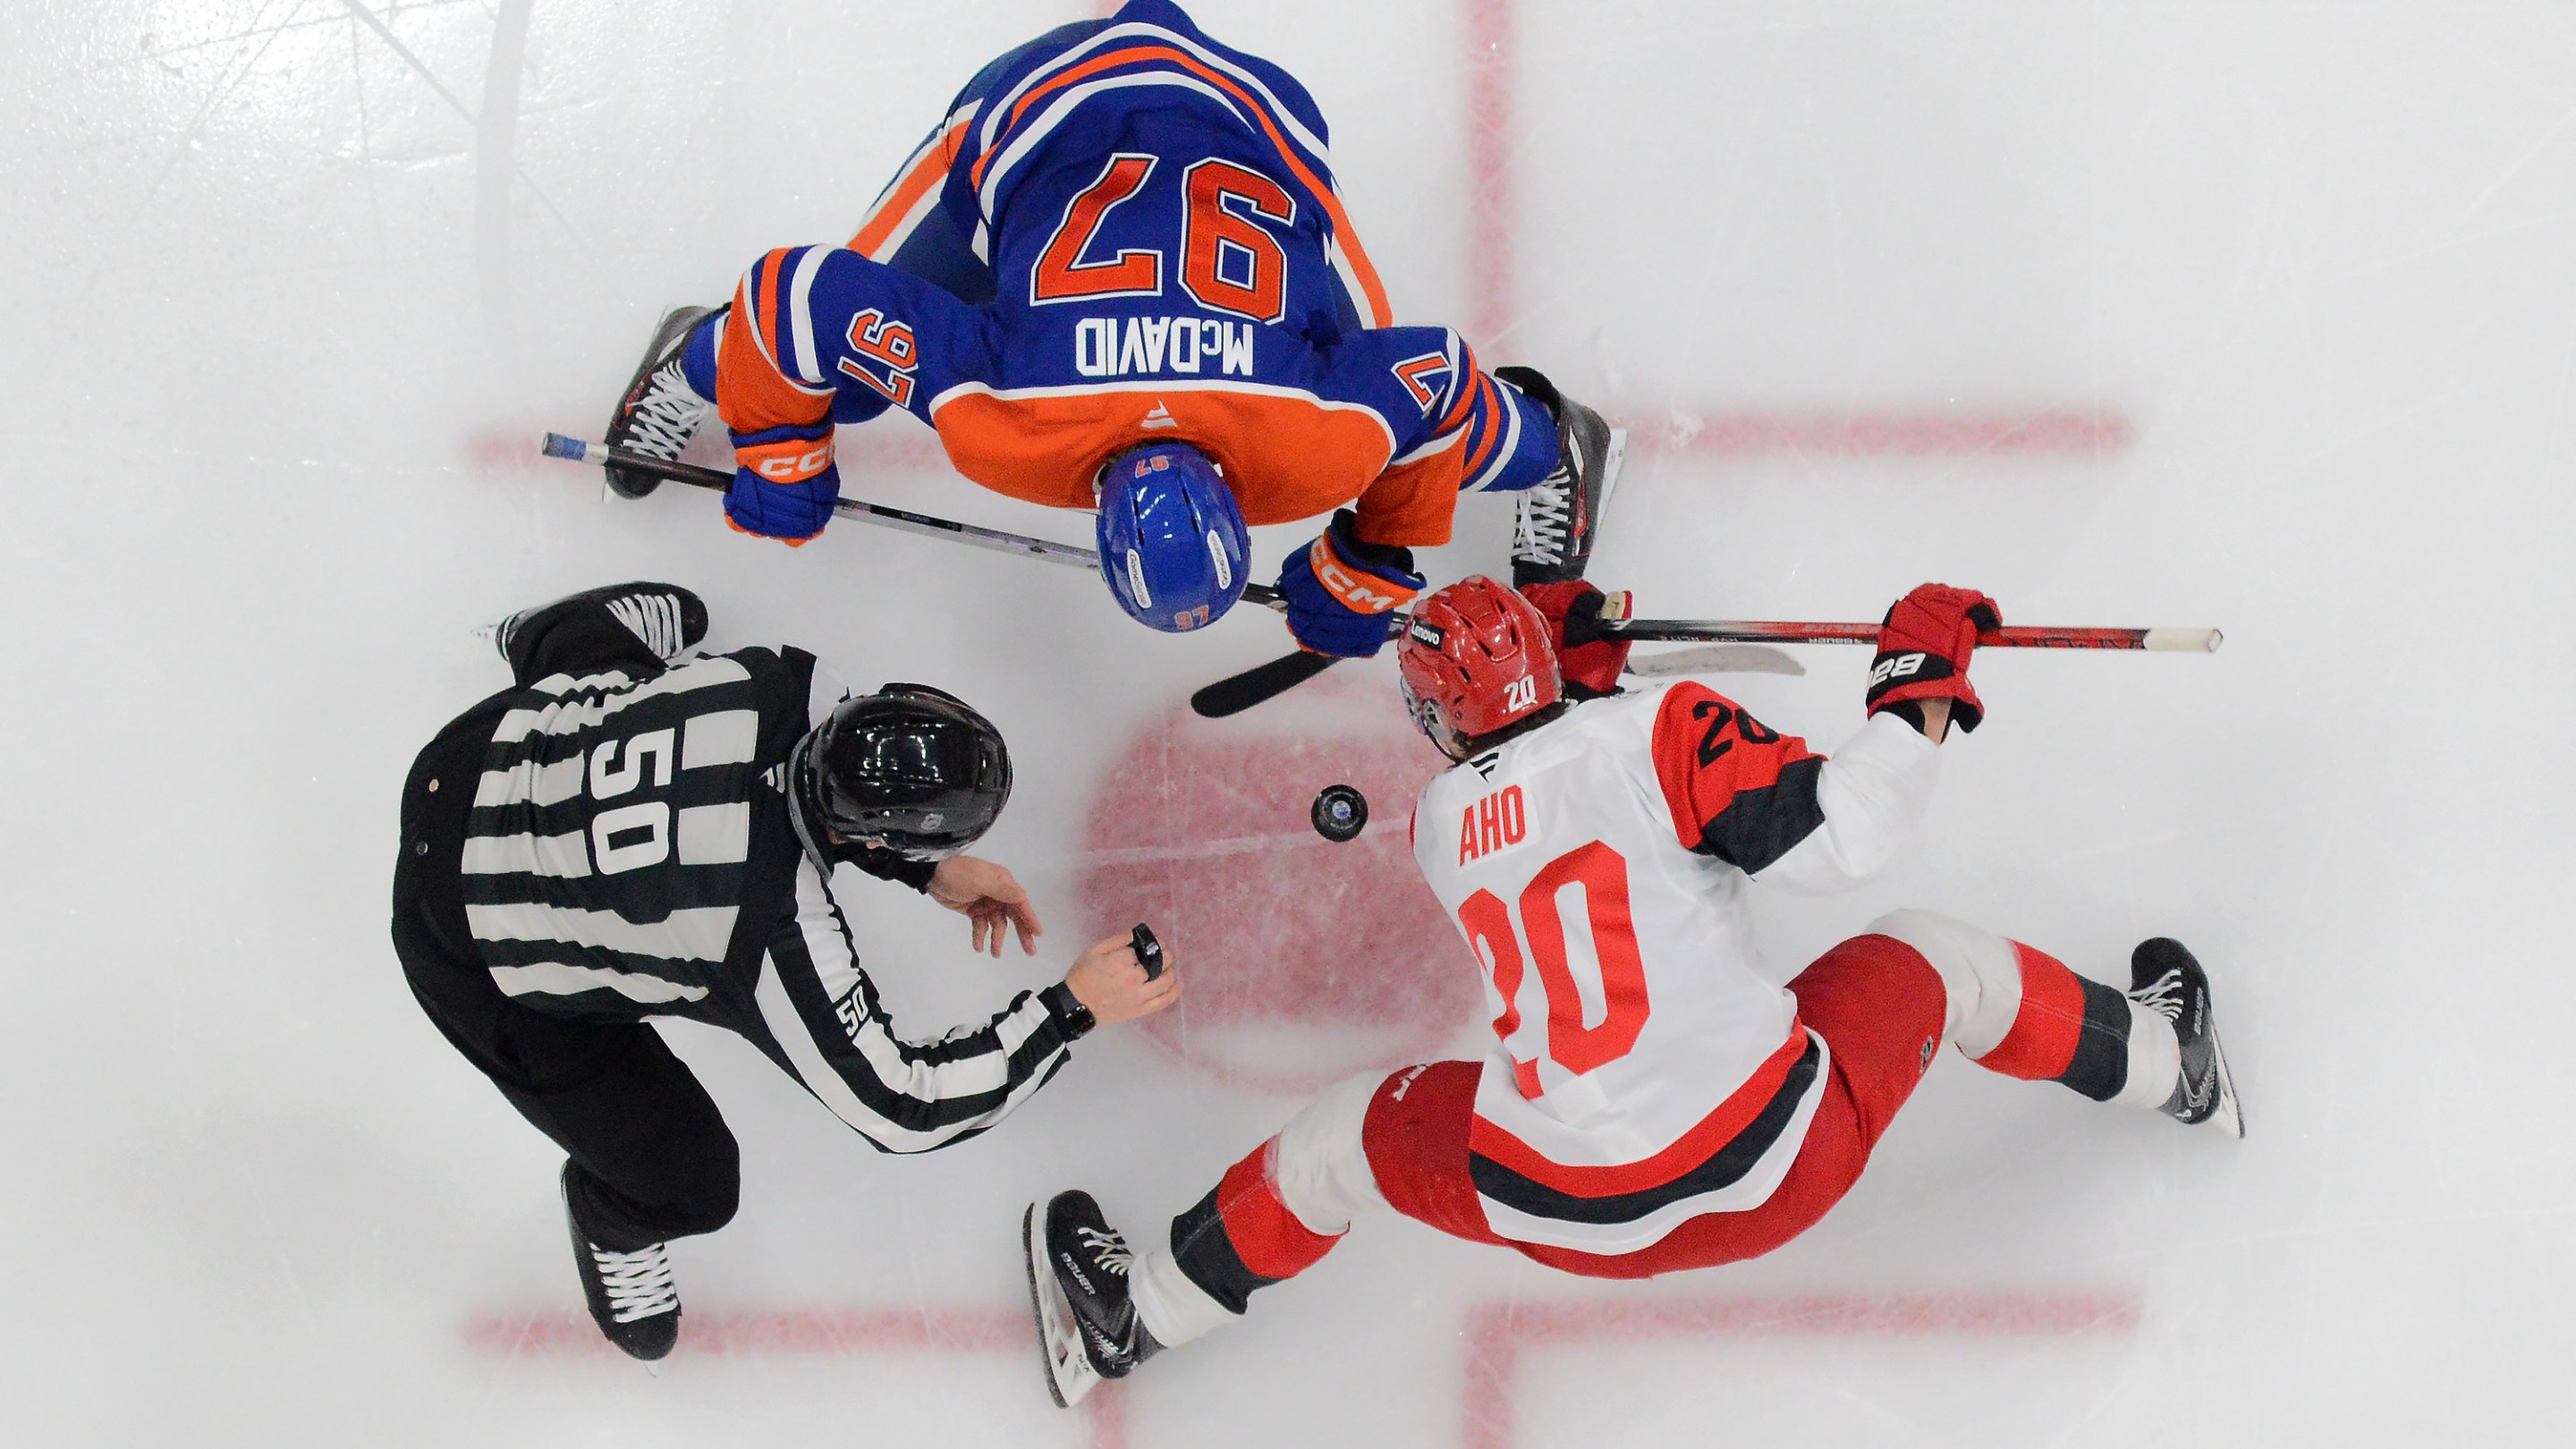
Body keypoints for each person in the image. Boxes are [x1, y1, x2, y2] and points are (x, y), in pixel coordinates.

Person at [1020, 576, 2240, 1407]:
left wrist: (1573, 681)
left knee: (1343, 1142)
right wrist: (1916, 686)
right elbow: (1842, 838)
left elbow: (1553, 782)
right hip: (1780, 1162)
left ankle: (1135, 1321)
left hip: (1572, 1210)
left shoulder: (1445, 825)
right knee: (1936, 960)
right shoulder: (1659, 729)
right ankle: (2174, 1067)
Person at [597, 0, 1621, 655]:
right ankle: (695, 358)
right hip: (1123, 112)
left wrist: (1379, 551)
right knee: (814, 367)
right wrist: (1373, 552)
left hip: (1195, 114)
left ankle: (1551, 445)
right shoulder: (1010, 426)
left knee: (1384, 400)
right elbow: (795, 298)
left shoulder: (1295, 447)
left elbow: (795, 297)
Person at [391, 581, 1179, 1360]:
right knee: (692, 1184)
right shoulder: (764, 929)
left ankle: (556, 633)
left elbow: (776, 792)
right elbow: (904, 1105)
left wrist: (924, 871)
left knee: (630, 667)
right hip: (462, 942)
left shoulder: (785, 679)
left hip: (475, 753)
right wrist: (1069, 1010)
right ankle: (612, 1218)